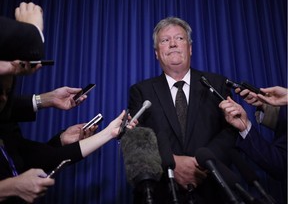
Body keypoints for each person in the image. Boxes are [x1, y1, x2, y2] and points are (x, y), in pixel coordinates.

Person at [128, 17, 238, 204]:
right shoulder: (140, 91)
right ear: (156, 53)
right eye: (165, 40)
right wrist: (171, 163)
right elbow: (138, 139)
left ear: (190, 48)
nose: (172, 44)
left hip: (213, 188)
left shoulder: (216, 83)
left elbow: (231, 130)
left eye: (179, 38)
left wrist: (201, 163)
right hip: (161, 192)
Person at [0, 74, 137, 203]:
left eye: (7, 92)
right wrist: (11, 187)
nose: (4, 99)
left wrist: (62, 140)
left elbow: (44, 157)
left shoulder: (7, 129)